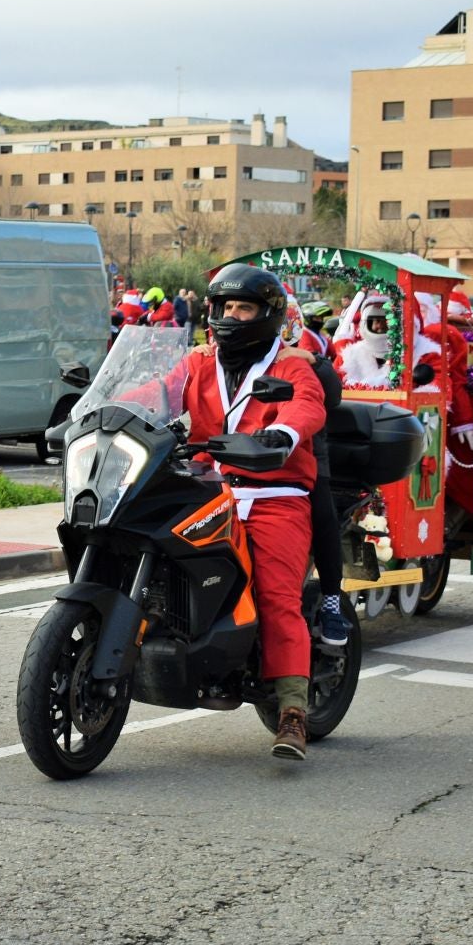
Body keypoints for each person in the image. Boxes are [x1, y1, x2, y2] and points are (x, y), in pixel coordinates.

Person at [174, 265, 329, 760]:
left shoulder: (290, 366)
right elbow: (154, 392)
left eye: (244, 308)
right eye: (225, 308)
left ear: (267, 315)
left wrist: (283, 434)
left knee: (276, 596)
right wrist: (99, 409)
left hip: (272, 493)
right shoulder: (199, 363)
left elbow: (307, 405)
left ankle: (292, 711)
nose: (232, 316)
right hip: (207, 490)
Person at [275, 299, 349, 647]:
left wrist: (316, 362)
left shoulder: (300, 359)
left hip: (303, 456)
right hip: (237, 458)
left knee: (323, 516)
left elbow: (331, 395)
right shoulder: (222, 355)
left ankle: (332, 600)